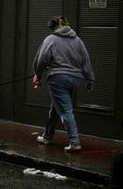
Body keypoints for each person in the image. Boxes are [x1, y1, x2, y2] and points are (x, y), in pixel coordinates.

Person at [32, 15, 95, 152]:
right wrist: (89, 79)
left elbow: (42, 59)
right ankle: (47, 136)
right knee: (56, 109)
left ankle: (74, 142)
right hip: (74, 79)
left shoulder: (51, 39)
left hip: (57, 78)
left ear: (54, 27)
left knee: (65, 110)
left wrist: (38, 74)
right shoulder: (77, 40)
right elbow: (85, 60)